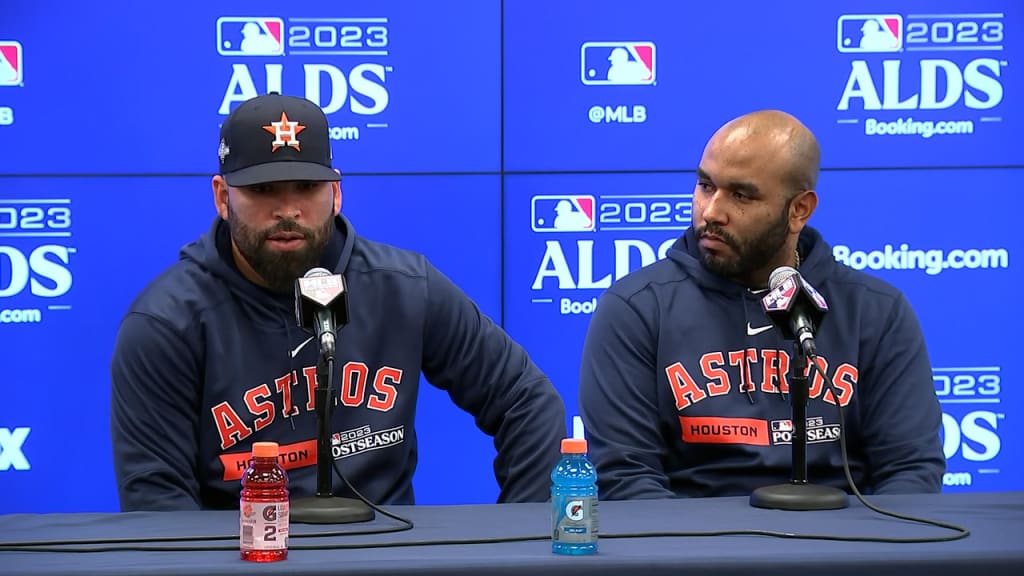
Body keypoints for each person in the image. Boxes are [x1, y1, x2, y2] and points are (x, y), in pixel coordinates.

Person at [110, 93, 566, 511]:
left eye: (306, 187)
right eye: (263, 190)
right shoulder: (166, 321)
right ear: (222, 197)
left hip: (385, 556)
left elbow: (525, 401)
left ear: (337, 194)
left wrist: (518, 540)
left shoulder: (403, 286)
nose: (287, 210)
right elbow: (156, 500)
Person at [578, 109, 945, 500]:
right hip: (692, 548)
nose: (712, 212)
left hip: (843, 544)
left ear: (799, 210)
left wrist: (856, 553)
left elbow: (910, 470)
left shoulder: (875, 311)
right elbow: (625, 477)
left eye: (740, 195)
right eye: (705, 186)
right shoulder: (636, 308)